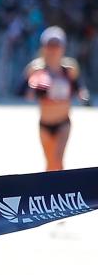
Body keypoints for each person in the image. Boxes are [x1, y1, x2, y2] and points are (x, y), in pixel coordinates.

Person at [25, 27, 89, 172]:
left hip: (63, 123)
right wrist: (34, 83)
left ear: (63, 48)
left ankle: (62, 190)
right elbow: (27, 93)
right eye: (50, 45)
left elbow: (79, 87)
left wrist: (83, 96)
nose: (53, 50)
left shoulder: (69, 70)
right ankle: (49, 192)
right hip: (45, 124)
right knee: (49, 164)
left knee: (58, 159)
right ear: (44, 47)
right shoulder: (37, 70)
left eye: (57, 45)